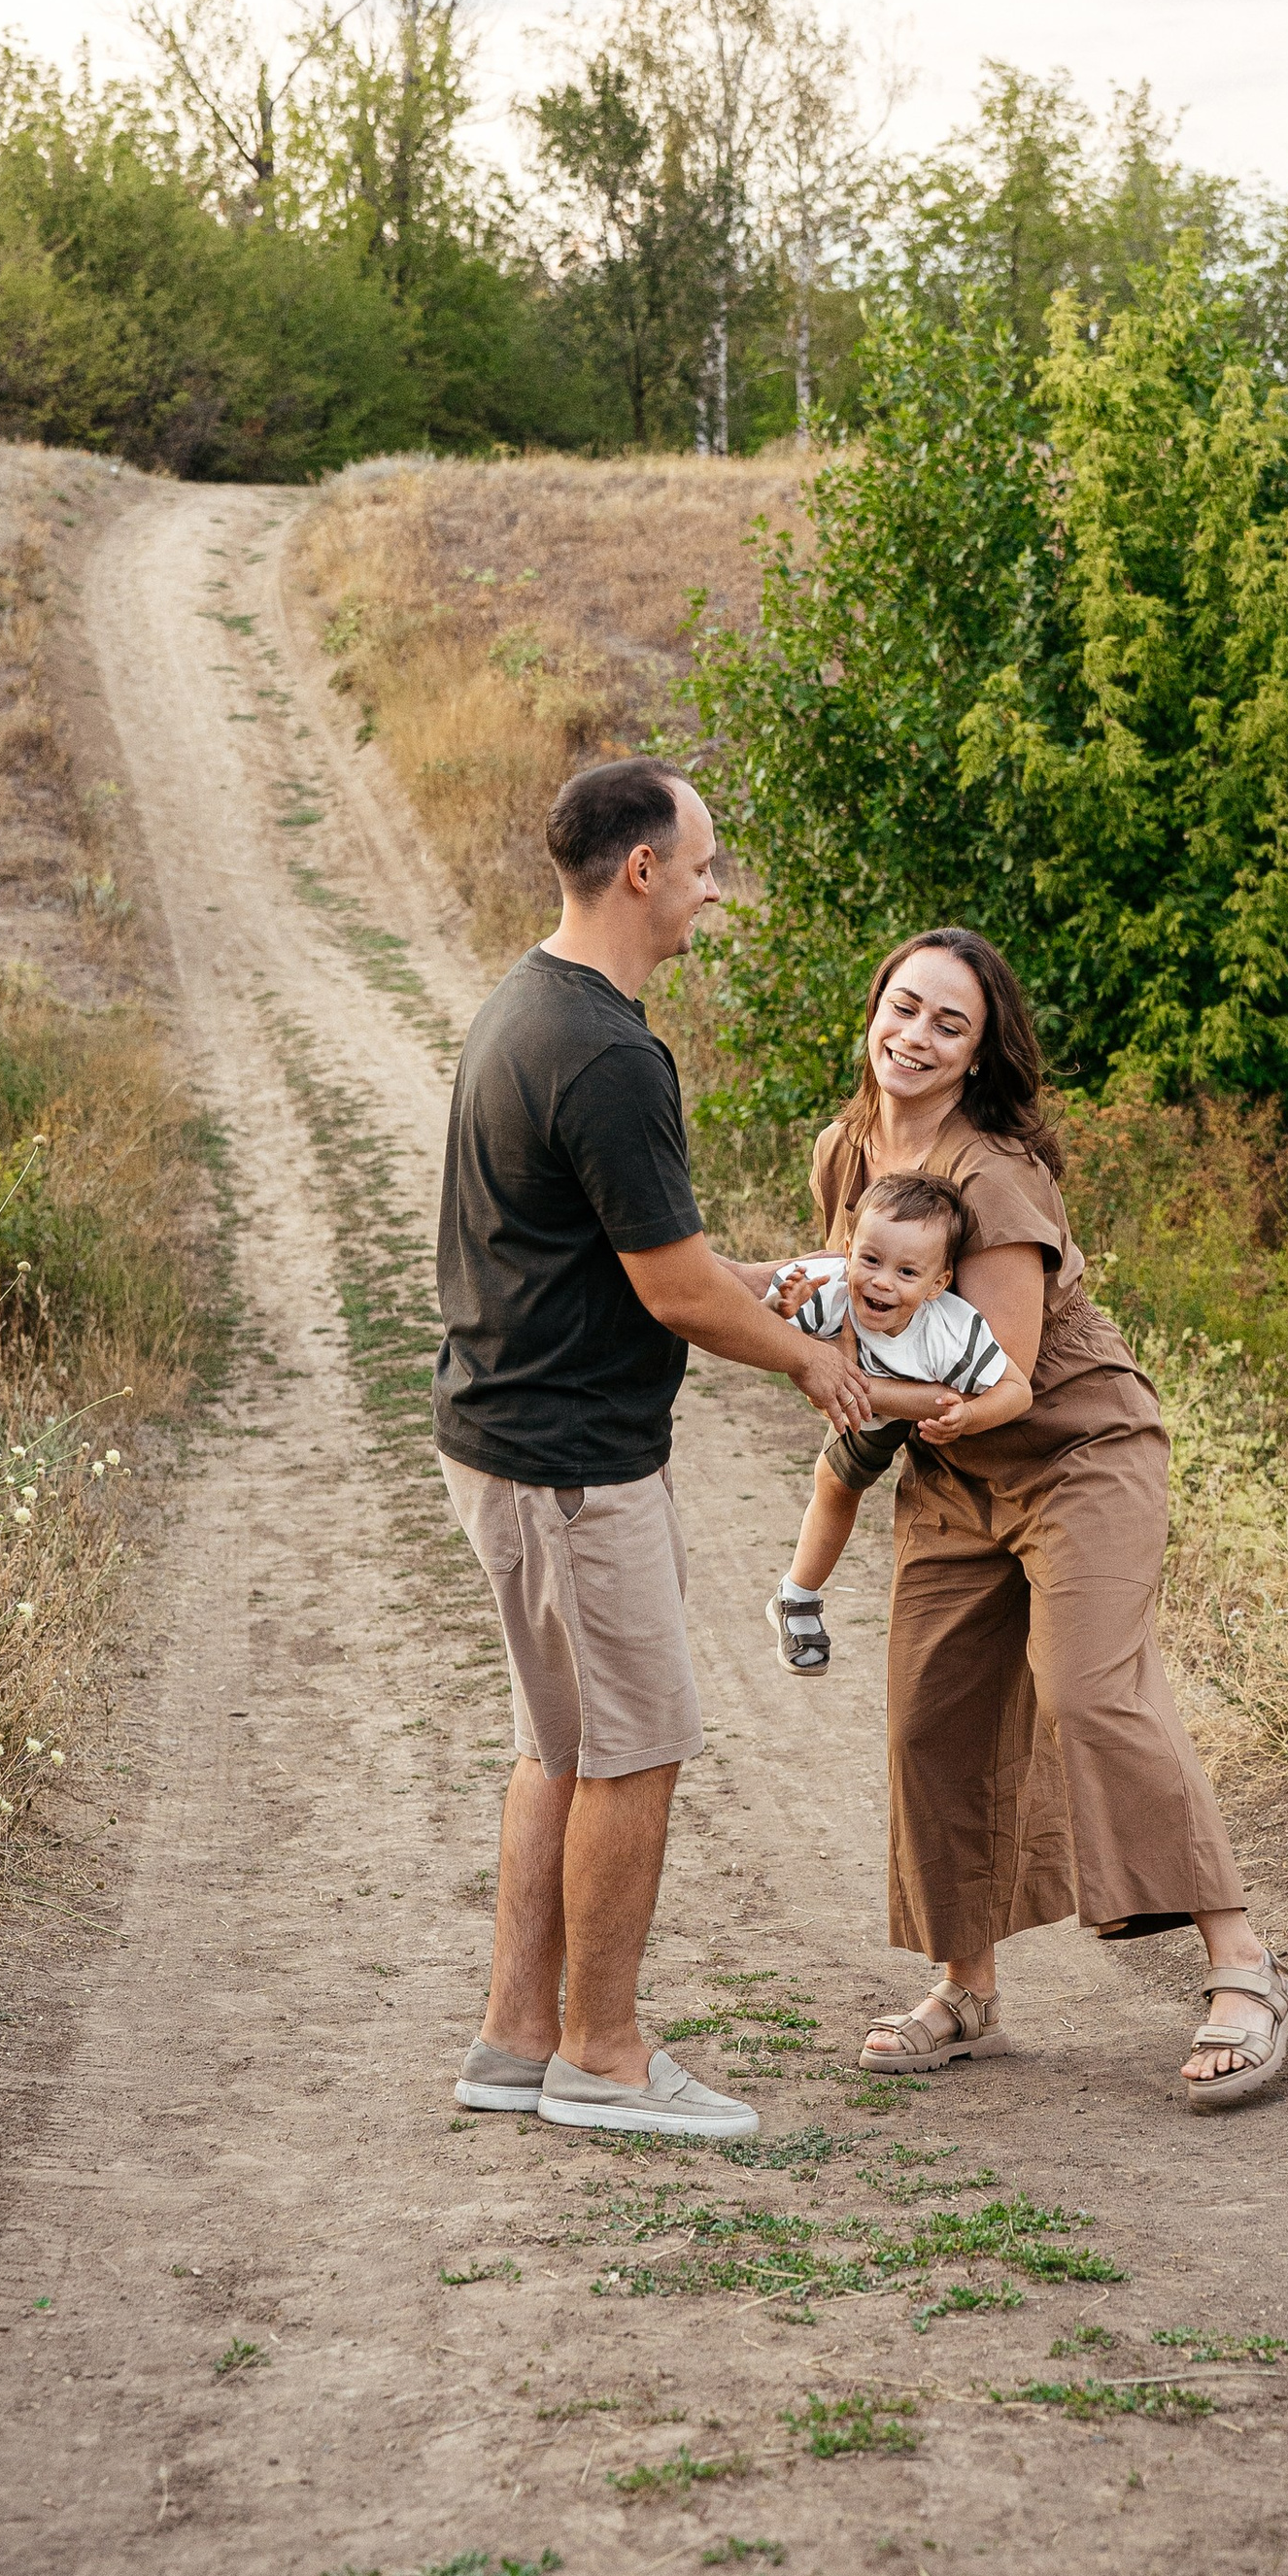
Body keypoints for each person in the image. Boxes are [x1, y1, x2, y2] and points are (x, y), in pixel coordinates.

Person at [791, 925, 1288, 2108]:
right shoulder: (846, 1149)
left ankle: (1247, 1969)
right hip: (952, 1471)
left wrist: (814, 1369)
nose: (914, 1037)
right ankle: (964, 1989)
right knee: (932, 1716)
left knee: (1091, 1692)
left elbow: (997, 1374)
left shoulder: (996, 1180)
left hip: (1079, 1449)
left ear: (977, 1056)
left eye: (948, 1024)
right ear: (872, 1008)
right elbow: (861, 1312)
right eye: (903, 1007)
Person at [434, 756, 872, 2141]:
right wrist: (812, 1357)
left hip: (509, 1438)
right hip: (571, 1460)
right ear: (641, 870)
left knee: (559, 1745)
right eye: (702, 864)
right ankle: (604, 2057)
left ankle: (515, 2043)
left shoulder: (530, 1002)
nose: (710, 889)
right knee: (635, 1746)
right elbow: (670, 1294)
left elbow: (647, 1259)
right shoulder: (612, 1052)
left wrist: (753, 1275)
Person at [761, 1170, 1034, 1674]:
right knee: (836, 1486)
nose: (882, 1281)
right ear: (848, 1250)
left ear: (938, 1283)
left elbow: (1018, 1391)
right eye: (870, 1260)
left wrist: (970, 1415)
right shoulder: (829, 1288)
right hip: (866, 1410)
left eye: (907, 1273)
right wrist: (784, 1308)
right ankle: (798, 1596)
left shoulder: (950, 1331)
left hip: (929, 1404)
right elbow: (757, 1330)